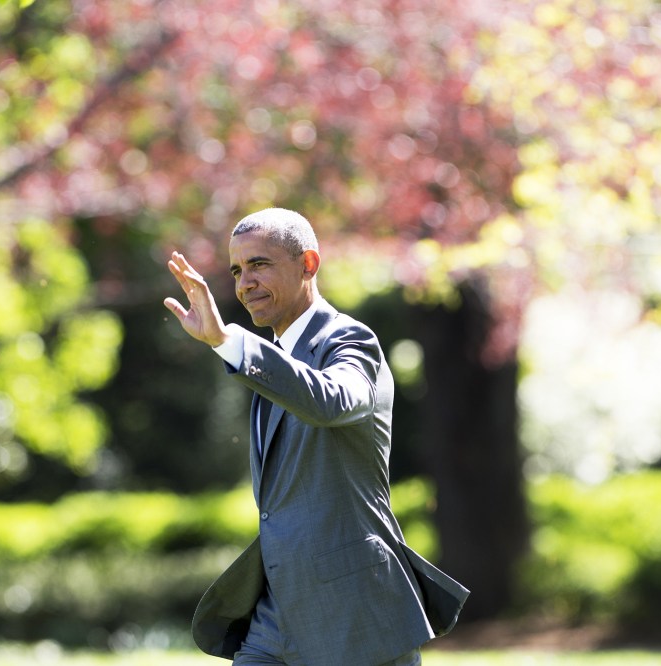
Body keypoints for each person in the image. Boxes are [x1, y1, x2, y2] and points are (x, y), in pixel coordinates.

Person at [163, 208, 468, 665]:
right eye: (237, 270)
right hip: (274, 616)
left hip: (354, 611)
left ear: (308, 264)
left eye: (259, 264)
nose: (244, 283)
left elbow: (331, 401)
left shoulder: (349, 341)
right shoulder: (270, 360)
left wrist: (231, 341)